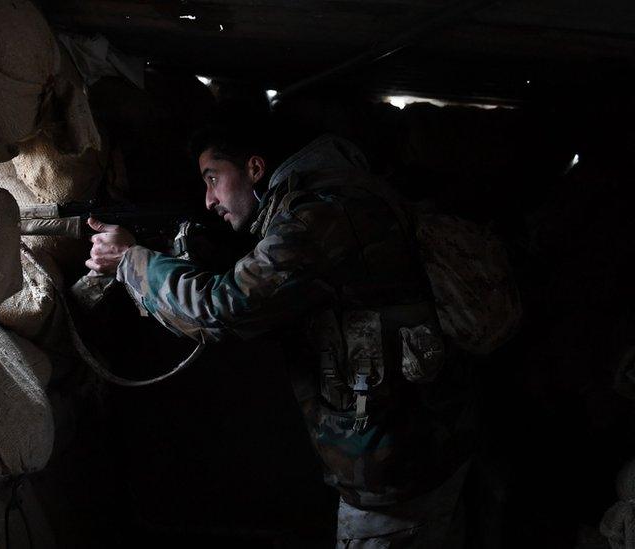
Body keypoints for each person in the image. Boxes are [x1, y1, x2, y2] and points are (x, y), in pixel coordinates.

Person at [85, 117, 476, 548]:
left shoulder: (320, 214)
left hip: (397, 473)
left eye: (213, 178)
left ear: (255, 168)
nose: (210, 199)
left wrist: (130, 260)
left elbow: (224, 309)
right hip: (417, 452)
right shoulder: (334, 195)